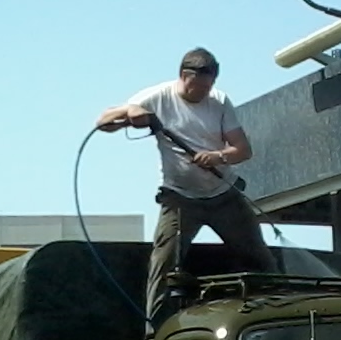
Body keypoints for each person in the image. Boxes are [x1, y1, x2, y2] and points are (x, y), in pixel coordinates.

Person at [96, 47, 275, 325]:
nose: (205, 91)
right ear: (183, 76)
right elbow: (103, 122)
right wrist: (131, 113)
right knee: (163, 266)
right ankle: (154, 338)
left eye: (210, 85)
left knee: (260, 260)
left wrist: (217, 156)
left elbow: (242, 150)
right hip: (179, 200)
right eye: (200, 86)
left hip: (223, 196)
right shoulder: (157, 97)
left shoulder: (219, 101)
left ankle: (270, 320)